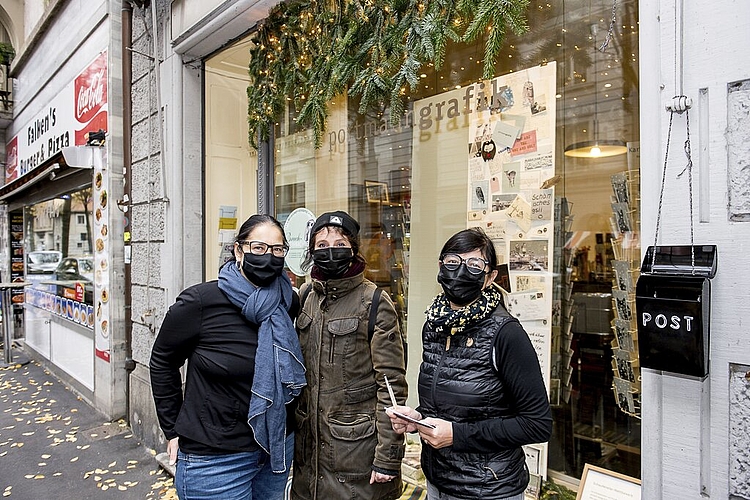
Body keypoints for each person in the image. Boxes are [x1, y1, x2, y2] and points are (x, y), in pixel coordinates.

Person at [386, 227, 552, 500]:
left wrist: (457, 435)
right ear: (440, 267)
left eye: (474, 264)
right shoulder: (434, 326)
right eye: (453, 262)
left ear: (490, 278)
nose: (461, 271)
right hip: (438, 482)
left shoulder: (506, 333)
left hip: (488, 489)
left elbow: (537, 424)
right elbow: (449, 405)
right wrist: (418, 418)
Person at [150, 214, 306, 500]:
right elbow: (163, 361)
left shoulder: (288, 302)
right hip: (215, 461)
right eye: (258, 248)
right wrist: (172, 428)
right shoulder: (200, 302)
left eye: (277, 250)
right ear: (238, 250)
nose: (268, 257)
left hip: (274, 452)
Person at [291, 210, 407, 500]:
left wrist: (388, 457)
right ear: (311, 251)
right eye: (322, 245)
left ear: (354, 249)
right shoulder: (306, 297)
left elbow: (391, 386)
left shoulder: (374, 301)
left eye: (340, 245)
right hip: (309, 457)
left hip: (356, 458)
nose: (331, 251)